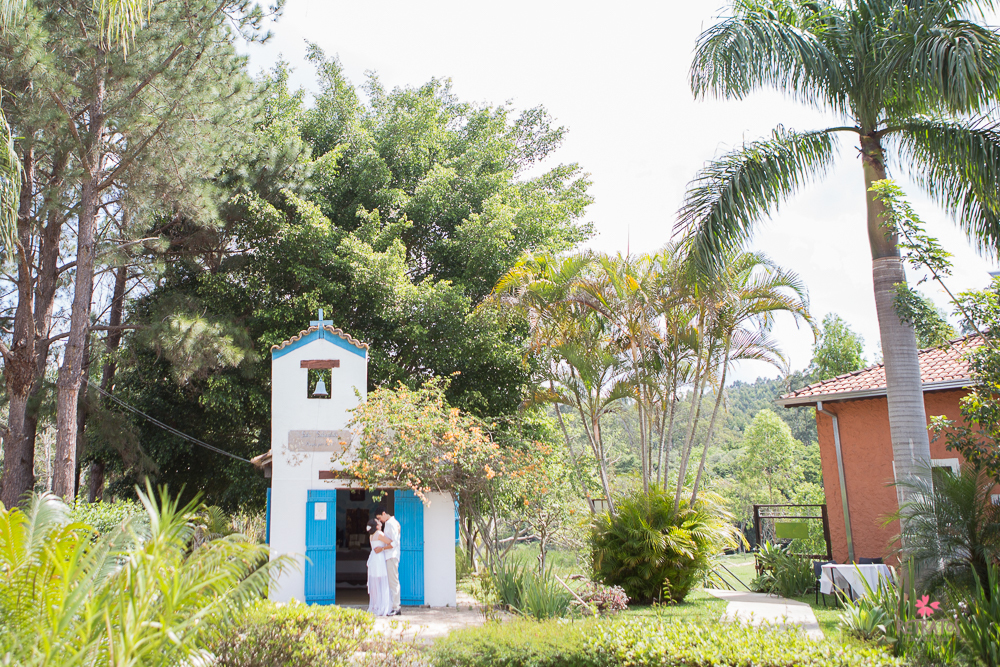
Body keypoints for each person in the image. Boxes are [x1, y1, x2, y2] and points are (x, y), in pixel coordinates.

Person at [365, 518, 394, 616]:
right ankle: (383, 605)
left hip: (373, 558)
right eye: (379, 522)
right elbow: (390, 542)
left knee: (375, 582)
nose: (381, 523)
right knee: (382, 581)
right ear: (376, 526)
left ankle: (376, 604)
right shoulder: (379, 534)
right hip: (379, 558)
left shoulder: (371, 535)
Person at [376, 506, 401, 615]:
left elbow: (395, 542)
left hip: (392, 555)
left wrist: (382, 548)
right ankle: (393, 605)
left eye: (379, 517)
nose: (380, 520)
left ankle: (396, 607)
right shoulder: (391, 523)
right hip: (390, 556)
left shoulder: (391, 523)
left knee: (393, 581)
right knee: (391, 581)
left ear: (384, 513)